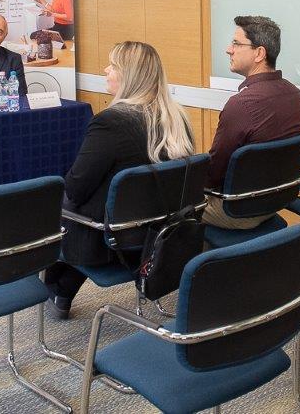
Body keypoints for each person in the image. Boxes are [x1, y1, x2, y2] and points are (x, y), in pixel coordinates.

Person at [43, 41, 195, 318]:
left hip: (112, 240)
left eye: (112, 66)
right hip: (161, 233)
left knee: (56, 201)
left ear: (129, 76)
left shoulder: (110, 122)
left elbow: (76, 188)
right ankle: (61, 290)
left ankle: (57, 289)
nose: (105, 70)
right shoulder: (177, 118)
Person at [204, 15, 300, 229]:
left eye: (236, 43)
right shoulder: (293, 94)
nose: (229, 50)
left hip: (236, 210)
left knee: (165, 204)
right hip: (274, 201)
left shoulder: (241, 104)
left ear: (259, 53)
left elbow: (214, 174)